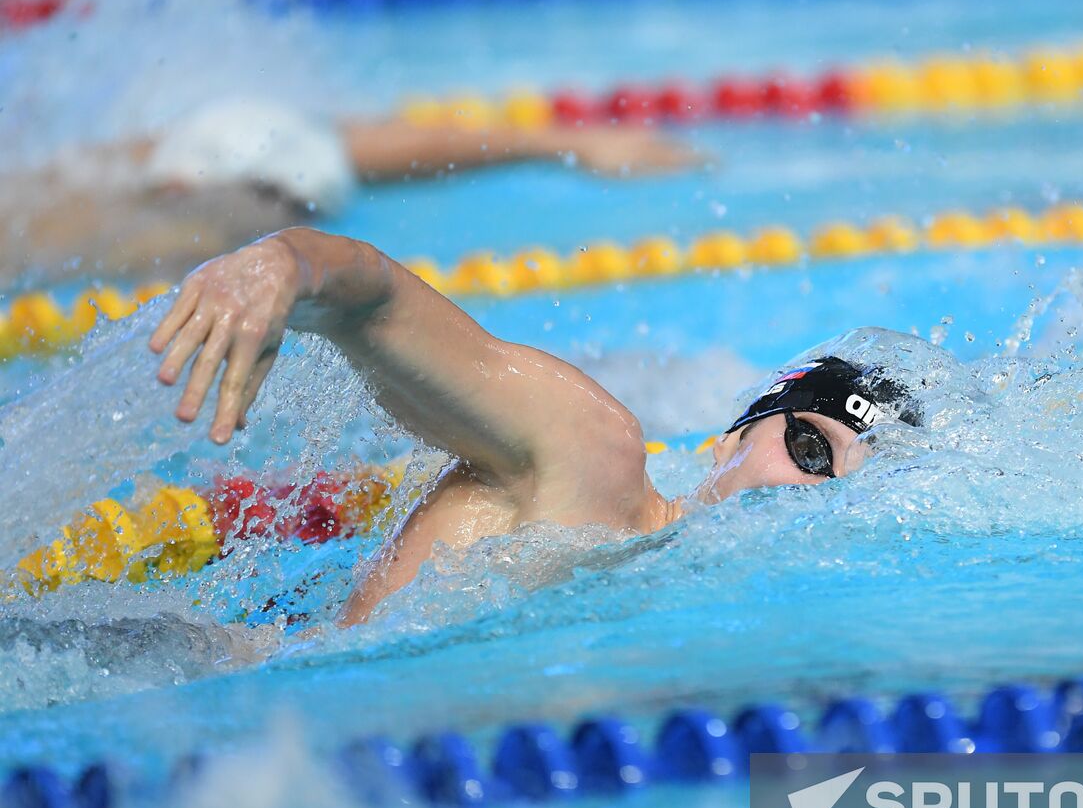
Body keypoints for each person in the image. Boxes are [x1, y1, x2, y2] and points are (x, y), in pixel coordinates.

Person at [149, 227, 919, 626]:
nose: (808, 496)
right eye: (812, 449)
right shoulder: (592, 454)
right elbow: (375, 299)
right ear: (732, 437)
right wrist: (284, 263)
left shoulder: (700, 613)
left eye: (845, 493)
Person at [2, 97, 701, 287]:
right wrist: (560, 143)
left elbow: (345, 145)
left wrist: (560, 143)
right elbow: (353, 144)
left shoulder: (86, 175)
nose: (288, 221)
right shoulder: (197, 214)